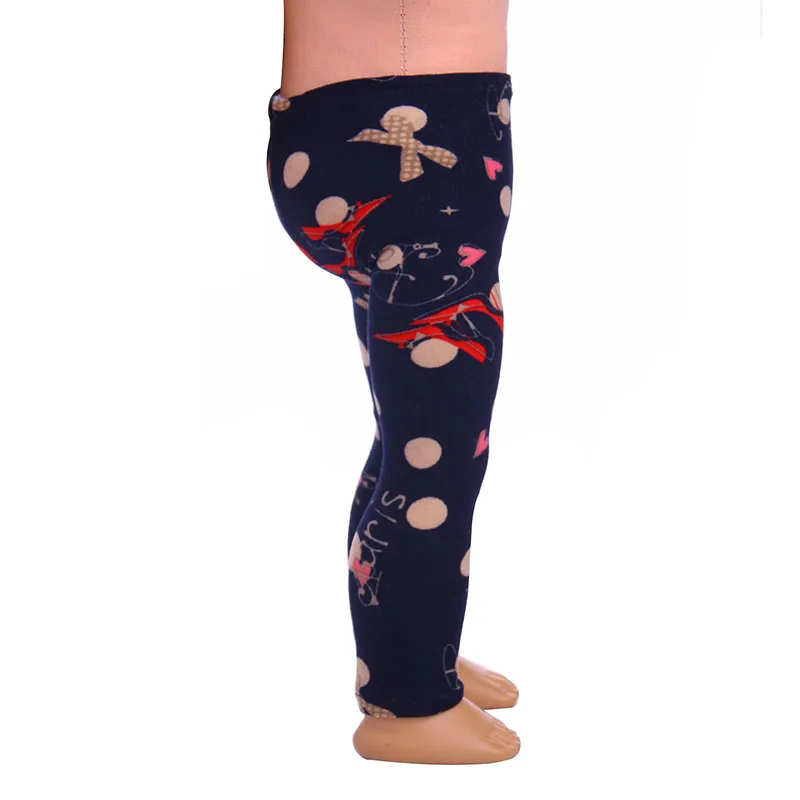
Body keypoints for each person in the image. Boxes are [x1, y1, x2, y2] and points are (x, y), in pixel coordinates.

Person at [267, 0, 520, 764]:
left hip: (333, 137)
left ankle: (409, 651)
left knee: (408, 439)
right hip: (427, 151)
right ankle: (407, 704)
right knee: (438, 456)